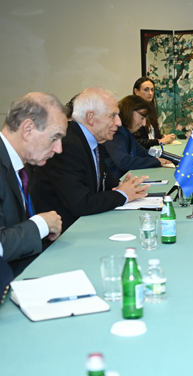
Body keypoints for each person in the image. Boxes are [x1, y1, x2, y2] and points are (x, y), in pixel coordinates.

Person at [31, 88, 149, 233]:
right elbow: (80, 203)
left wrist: (124, 186)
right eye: (113, 116)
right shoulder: (67, 144)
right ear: (91, 117)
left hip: (86, 224)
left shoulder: (93, 139)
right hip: (65, 234)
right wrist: (122, 195)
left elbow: (104, 178)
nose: (118, 122)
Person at [0, 93, 66, 275]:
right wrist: (41, 225)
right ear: (28, 129)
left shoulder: (25, 164)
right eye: (55, 138)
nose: (59, 149)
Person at [103, 95, 170, 178]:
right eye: (142, 118)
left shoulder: (126, 131)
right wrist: (156, 161)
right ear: (130, 112)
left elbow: (142, 152)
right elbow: (123, 162)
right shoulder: (116, 132)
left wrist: (168, 158)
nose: (144, 124)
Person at [132, 77, 176, 148]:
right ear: (136, 91)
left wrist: (163, 137)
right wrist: (159, 141)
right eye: (146, 90)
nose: (150, 93)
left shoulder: (151, 109)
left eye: (152, 90)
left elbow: (153, 135)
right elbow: (135, 142)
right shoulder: (133, 112)